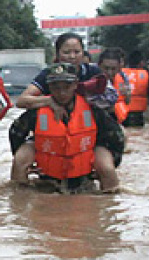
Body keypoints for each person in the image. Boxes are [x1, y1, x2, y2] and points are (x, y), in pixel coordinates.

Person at [14, 33, 115, 188]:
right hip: (50, 138)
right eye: (66, 52)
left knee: (107, 169)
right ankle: (19, 200)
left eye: (76, 52)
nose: (72, 57)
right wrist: (49, 101)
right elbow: (20, 111)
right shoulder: (47, 76)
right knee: (20, 161)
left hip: (88, 135)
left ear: (75, 85)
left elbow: (112, 106)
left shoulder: (94, 74)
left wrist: (86, 100)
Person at [116, 51, 149, 127]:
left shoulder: (120, 73)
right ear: (141, 62)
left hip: (123, 112)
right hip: (139, 113)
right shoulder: (145, 74)